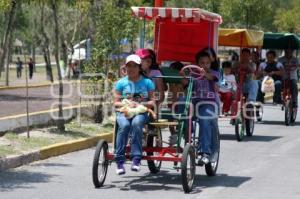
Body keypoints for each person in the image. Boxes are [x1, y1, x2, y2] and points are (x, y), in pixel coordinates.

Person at [114, 54, 155, 175]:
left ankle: (136, 158)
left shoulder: (147, 82)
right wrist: (126, 105)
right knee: (125, 126)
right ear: (125, 67)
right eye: (129, 66)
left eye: (134, 66)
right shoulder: (121, 83)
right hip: (124, 111)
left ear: (139, 68)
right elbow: (115, 103)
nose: (131, 68)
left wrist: (139, 104)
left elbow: (153, 102)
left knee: (137, 124)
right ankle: (120, 161)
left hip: (141, 112)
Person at [182, 51, 219, 165]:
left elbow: (211, 77)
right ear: (197, 63)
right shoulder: (192, 74)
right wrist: (184, 76)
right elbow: (184, 83)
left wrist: (204, 73)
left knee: (205, 119)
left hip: (208, 103)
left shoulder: (214, 73)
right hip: (193, 102)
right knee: (181, 106)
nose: (205, 65)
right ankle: (186, 136)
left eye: (207, 63)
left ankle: (205, 152)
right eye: (202, 63)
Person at [135, 48, 165, 113]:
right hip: (136, 105)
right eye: (144, 59)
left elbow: (161, 96)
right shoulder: (133, 74)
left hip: (151, 106)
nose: (148, 60)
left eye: (149, 58)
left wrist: (156, 111)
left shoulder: (156, 73)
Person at [168, 61, 186, 145]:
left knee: (180, 119)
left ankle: (182, 132)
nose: (171, 73)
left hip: (180, 102)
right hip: (171, 101)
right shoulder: (169, 79)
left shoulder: (183, 80)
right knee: (170, 119)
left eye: (173, 71)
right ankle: (173, 134)